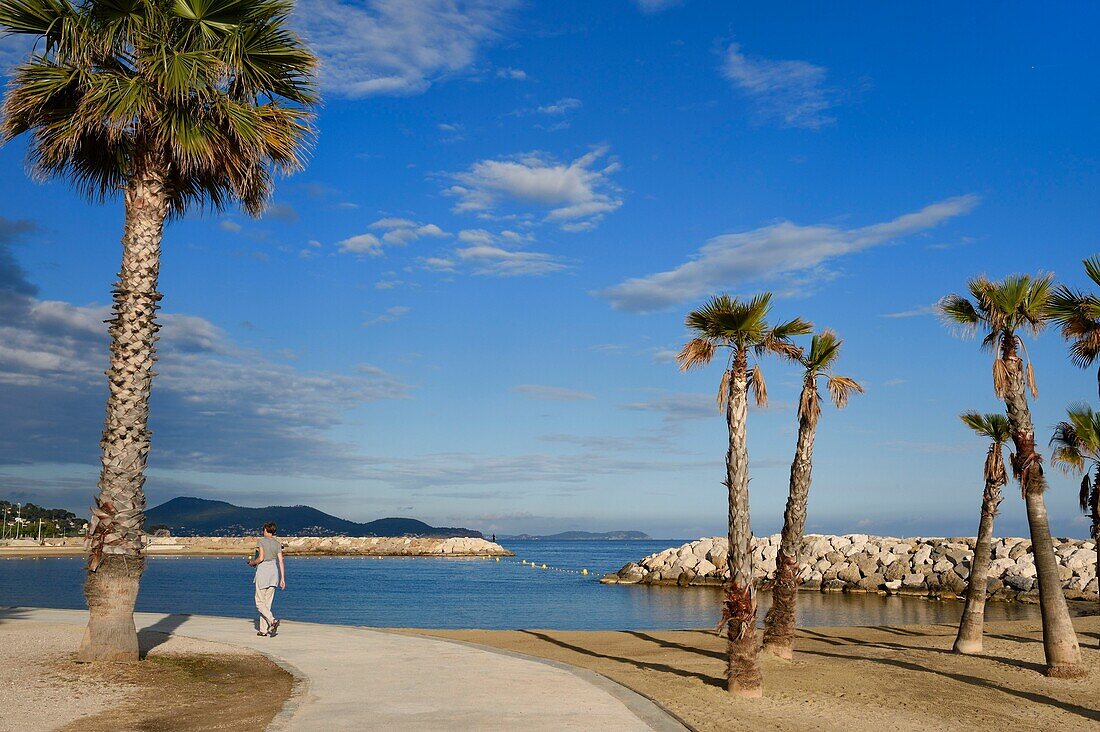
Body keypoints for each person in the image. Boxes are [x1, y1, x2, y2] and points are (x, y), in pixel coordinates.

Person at [247, 522, 285, 637]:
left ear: (266, 530)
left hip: (263, 572)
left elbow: (261, 558)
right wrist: (283, 578)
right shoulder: (277, 543)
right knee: (267, 604)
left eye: (263, 529)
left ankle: (272, 620)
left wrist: (252, 563)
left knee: (259, 602)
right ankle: (263, 630)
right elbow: (281, 561)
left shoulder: (261, 541)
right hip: (274, 572)